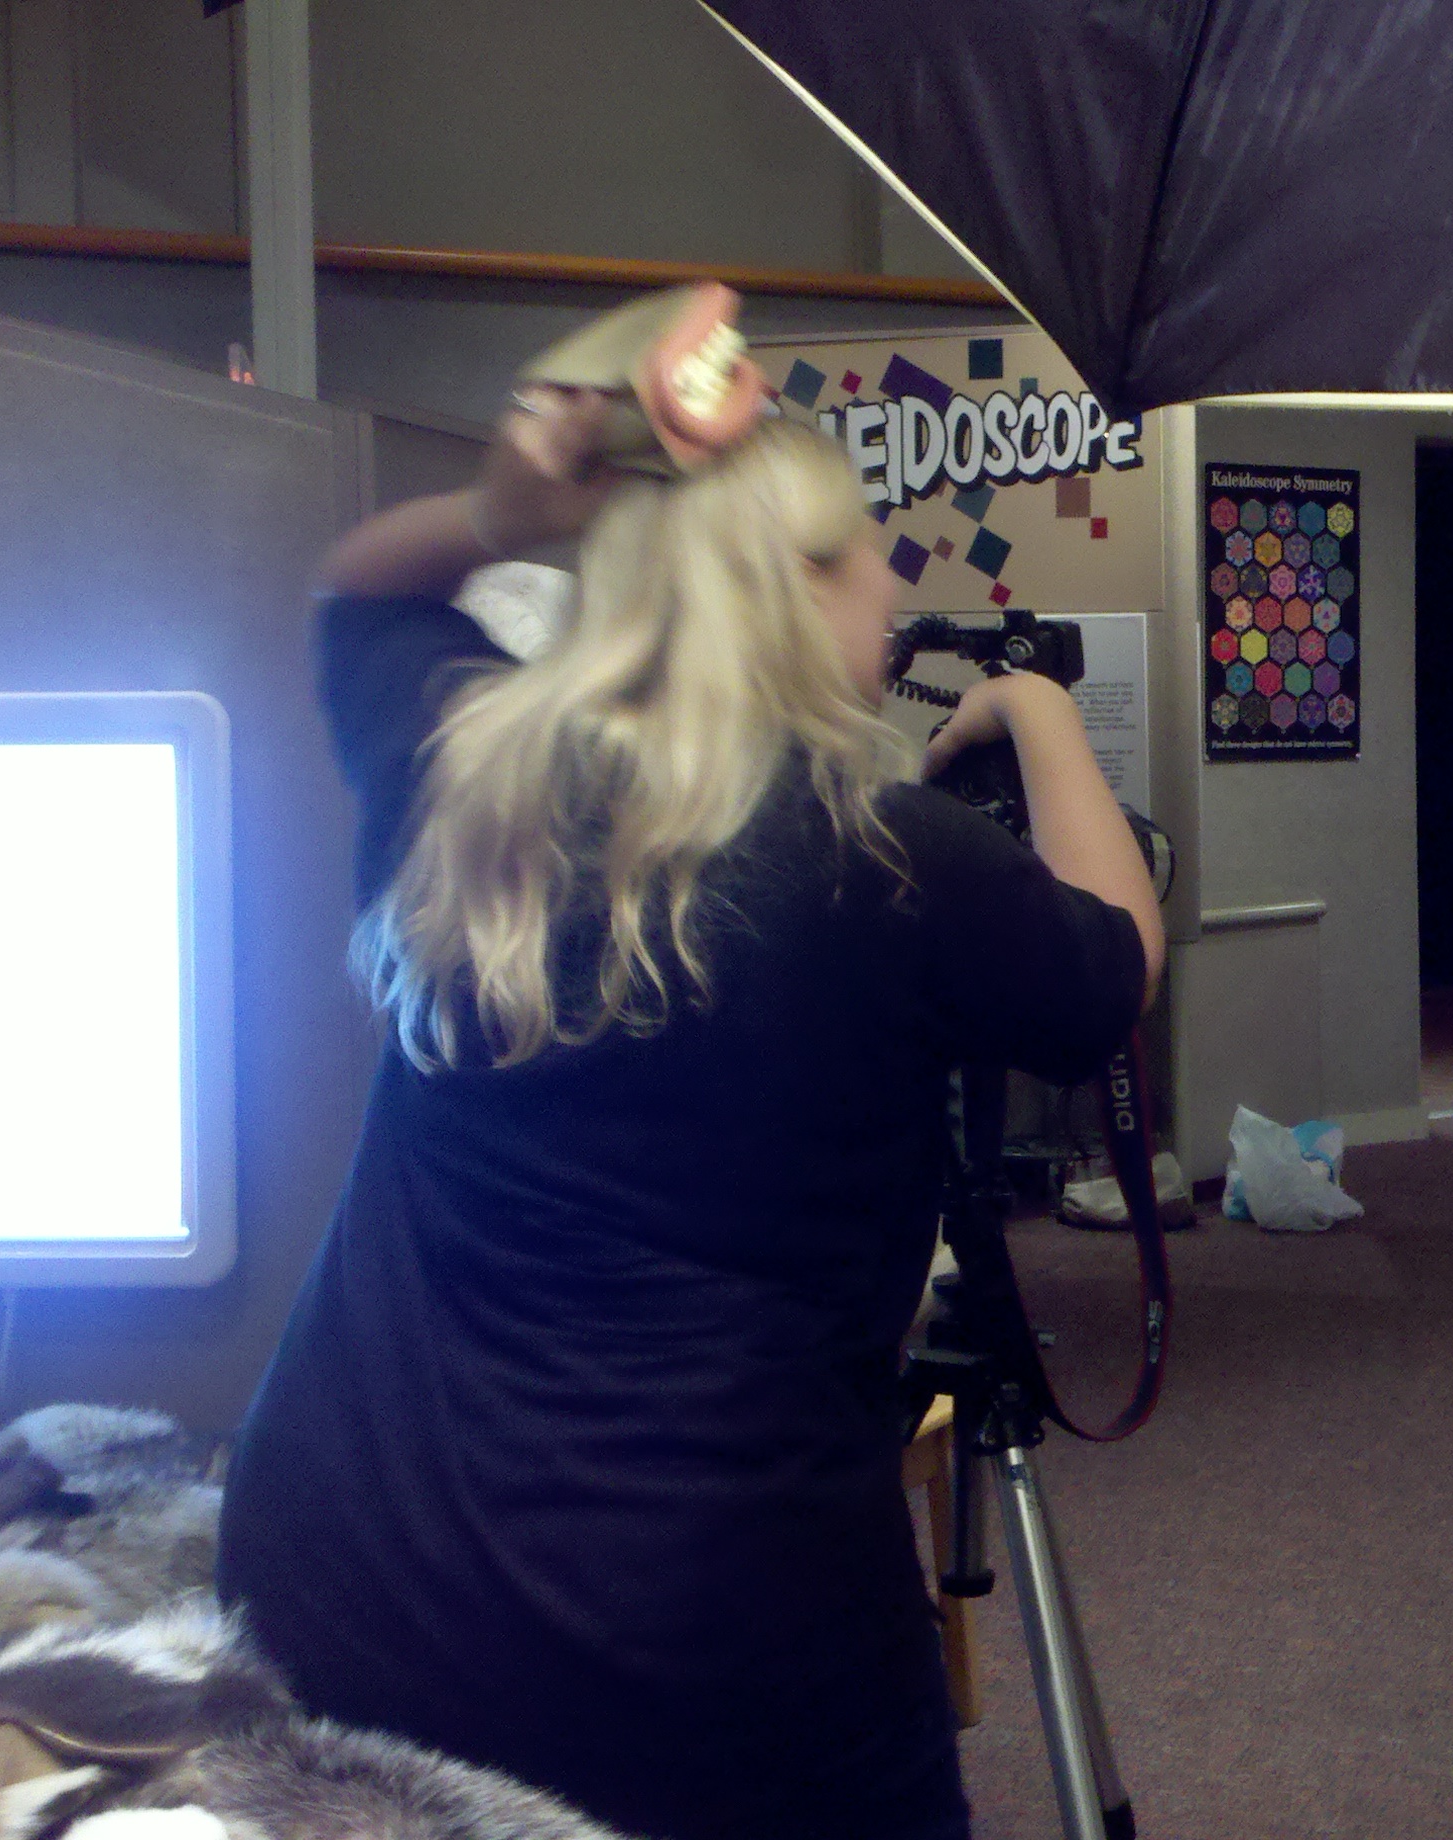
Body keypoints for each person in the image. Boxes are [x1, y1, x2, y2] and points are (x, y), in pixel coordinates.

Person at [215, 386, 1165, 1840]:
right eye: (869, 552)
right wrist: (1038, 710)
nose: (891, 586)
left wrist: (498, 516)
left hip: (337, 1575)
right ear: (796, 590)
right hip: (697, 1640)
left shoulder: (473, 771)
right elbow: (1114, 962)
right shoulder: (892, 859)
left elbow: (358, 590)